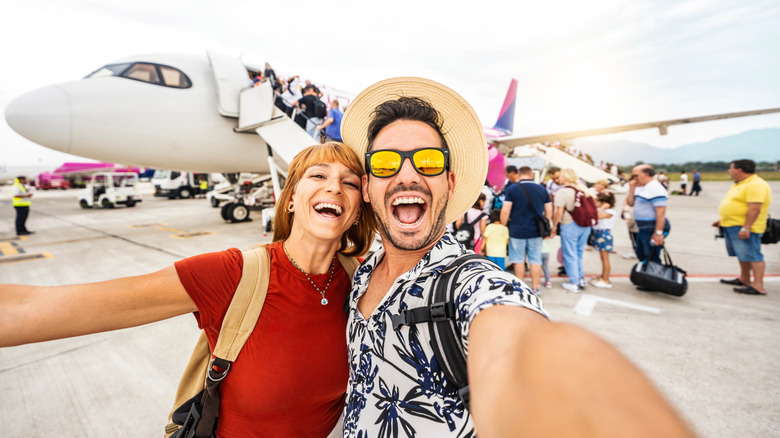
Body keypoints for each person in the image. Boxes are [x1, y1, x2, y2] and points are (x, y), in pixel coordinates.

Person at [339, 77, 694, 437]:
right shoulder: (363, 273)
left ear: (451, 181)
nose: (408, 175)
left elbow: (525, 351)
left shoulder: (472, 285)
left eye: (428, 162)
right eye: (385, 164)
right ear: (366, 187)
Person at [0, 142, 377, 437]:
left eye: (349, 182)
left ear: (359, 209)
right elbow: (32, 307)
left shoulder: (363, 280)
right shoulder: (231, 274)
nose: (334, 187)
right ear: (290, 198)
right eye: (319, 176)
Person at [713, 159, 772, 295]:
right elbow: (736, 204)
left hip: (745, 227)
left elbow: (754, 209)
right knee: (743, 254)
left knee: (753, 254)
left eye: (731, 168)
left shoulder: (756, 184)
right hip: (732, 224)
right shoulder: (741, 184)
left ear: (739, 170)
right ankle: (745, 279)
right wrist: (723, 220)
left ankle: (758, 286)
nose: (729, 171)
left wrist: (746, 227)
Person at [501, 165, 552, 295]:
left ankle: (521, 288)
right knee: (535, 260)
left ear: (518, 174)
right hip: (536, 231)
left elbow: (505, 211)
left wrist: (503, 226)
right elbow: (549, 211)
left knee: (518, 260)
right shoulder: (542, 189)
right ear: (531, 175)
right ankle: (535, 288)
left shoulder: (512, 189)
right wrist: (546, 226)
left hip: (517, 230)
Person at [550, 168, 594, 293]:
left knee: (569, 254)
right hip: (585, 225)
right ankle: (580, 278)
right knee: (579, 253)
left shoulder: (563, 192)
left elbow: (559, 211)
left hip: (570, 224)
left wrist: (554, 226)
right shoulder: (584, 190)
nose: (559, 178)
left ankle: (574, 282)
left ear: (565, 178)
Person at [626, 164, 670, 263]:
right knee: (640, 253)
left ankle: (655, 275)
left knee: (650, 255)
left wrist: (658, 233)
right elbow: (630, 203)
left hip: (652, 227)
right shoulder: (641, 187)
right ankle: (648, 274)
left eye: (635, 176)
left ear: (646, 174)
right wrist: (632, 189)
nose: (634, 178)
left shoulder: (656, 189)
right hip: (643, 227)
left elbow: (661, 213)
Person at [590, 192, 617, 288]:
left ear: (604, 203)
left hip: (604, 235)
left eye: (597, 201)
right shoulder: (599, 209)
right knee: (602, 258)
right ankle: (603, 276)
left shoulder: (610, 212)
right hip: (598, 234)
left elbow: (597, 217)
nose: (595, 202)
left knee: (605, 258)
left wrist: (602, 208)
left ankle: (606, 279)